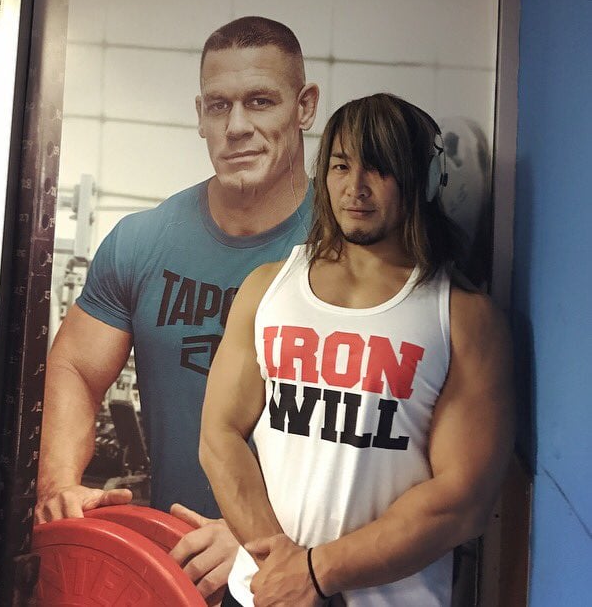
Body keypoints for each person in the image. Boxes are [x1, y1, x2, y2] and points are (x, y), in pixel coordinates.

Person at [36, 16, 319, 605]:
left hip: (304, 579)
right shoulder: (142, 242)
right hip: (175, 576)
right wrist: (60, 484)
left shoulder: (351, 252)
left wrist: (270, 538)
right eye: (219, 106)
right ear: (199, 115)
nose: (236, 127)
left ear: (305, 107)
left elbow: (389, 448)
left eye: (260, 101)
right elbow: (77, 367)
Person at [199, 93, 515, 606]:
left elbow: (462, 500)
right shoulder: (267, 289)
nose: (355, 188)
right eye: (341, 166)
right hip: (265, 592)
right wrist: (281, 567)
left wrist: (316, 573)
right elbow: (220, 436)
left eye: (379, 169)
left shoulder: (463, 318)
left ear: (424, 180)